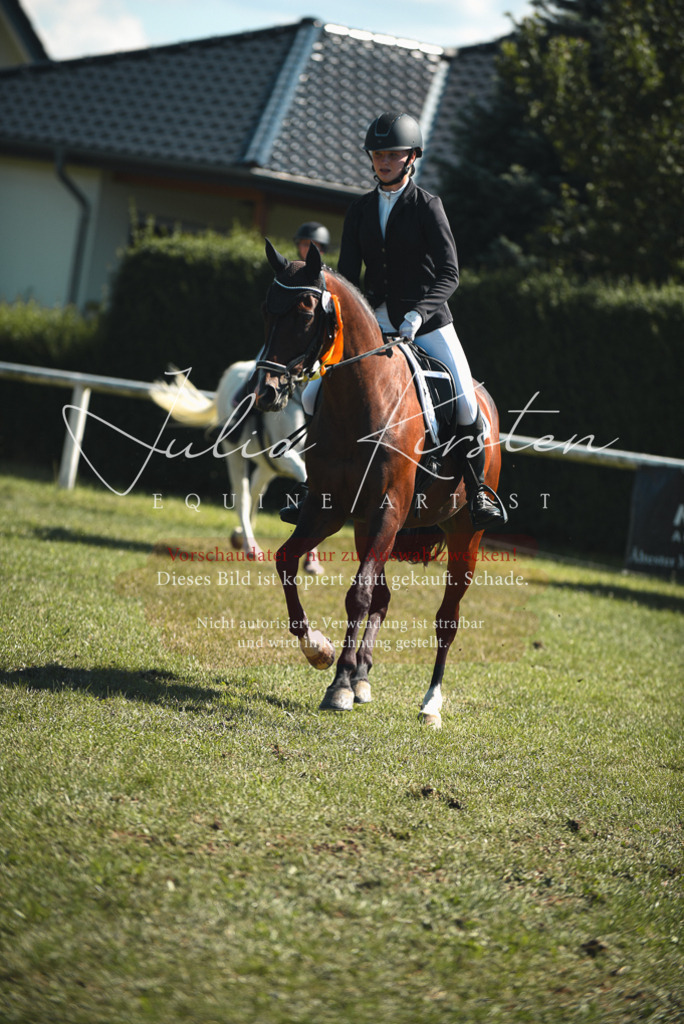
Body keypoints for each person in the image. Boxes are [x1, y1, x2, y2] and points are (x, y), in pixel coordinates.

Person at [297, 111, 506, 530]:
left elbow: (450, 273)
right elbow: (348, 277)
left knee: (465, 403)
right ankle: (312, 488)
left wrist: (418, 313)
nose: (384, 162)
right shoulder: (359, 210)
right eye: (378, 155)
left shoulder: (428, 206)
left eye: (393, 154)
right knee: (311, 396)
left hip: (428, 324)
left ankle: (478, 490)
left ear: (412, 157)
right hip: (374, 325)